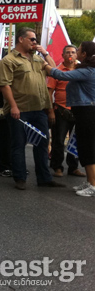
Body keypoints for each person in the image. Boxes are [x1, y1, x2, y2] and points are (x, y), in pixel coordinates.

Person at [0, 27, 63, 190]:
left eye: (36, 40)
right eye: (32, 39)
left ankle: (44, 178)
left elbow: (55, 71)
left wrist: (45, 53)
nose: (35, 43)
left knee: (42, 143)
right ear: (21, 39)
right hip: (20, 110)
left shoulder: (37, 59)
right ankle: (20, 177)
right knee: (18, 144)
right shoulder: (9, 60)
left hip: (39, 108)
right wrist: (13, 106)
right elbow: (5, 86)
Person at [44, 41, 95, 196]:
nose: (76, 53)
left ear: (84, 54)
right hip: (82, 111)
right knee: (84, 148)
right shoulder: (85, 69)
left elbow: (61, 75)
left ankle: (93, 185)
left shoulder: (88, 70)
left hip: (88, 112)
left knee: (89, 148)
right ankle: (89, 182)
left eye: (78, 50)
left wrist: (45, 64)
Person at [47, 45, 85, 177]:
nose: (71, 54)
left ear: (77, 55)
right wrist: (50, 111)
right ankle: (57, 167)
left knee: (75, 140)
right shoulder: (57, 71)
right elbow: (49, 92)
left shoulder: (82, 71)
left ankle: (73, 167)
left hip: (78, 110)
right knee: (59, 140)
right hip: (61, 110)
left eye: (73, 52)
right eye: (68, 52)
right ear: (63, 55)